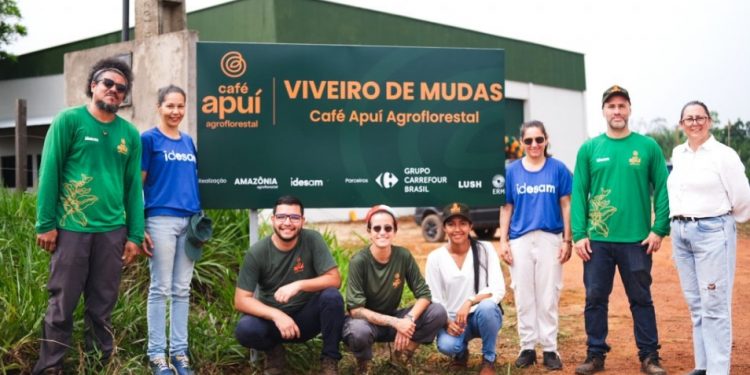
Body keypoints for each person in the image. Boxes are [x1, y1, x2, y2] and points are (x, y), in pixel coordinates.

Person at [33, 57, 144, 374]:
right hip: (71, 229)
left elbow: (133, 188)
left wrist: (135, 235)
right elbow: (50, 173)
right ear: (93, 85)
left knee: (102, 308)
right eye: (108, 83)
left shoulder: (129, 134)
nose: (114, 90)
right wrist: (46, 224)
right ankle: (50, 368)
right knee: (61, 306)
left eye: (121, 88)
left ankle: (97, 366)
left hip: (112, 233)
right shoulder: (69, 121)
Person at [571, 85, 670, 375]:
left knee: (641, 299)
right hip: (598, 240)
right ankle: (595, 354)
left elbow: (663, 188)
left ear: (629, 110)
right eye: (611, 106)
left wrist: (659, 228)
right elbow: (579, 192)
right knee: (595, 298)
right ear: (604, 111)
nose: (617, 111)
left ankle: (650, 356)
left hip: (637, 240)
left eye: (621, 106)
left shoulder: (647, 147)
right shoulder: (590, 148)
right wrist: (579, 234)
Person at [667, 100, 750, 375]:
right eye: (689, 119)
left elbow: (742, 199)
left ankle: (718, 370)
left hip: (712, 232)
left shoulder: (723, 155)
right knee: (696, 304)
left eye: (700, 117)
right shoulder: (678, 153)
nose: (695, 123)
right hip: (681, 233)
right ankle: (702, 366)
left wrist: (721, 222)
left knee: (714, 306)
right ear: (681, 124)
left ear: (709, 121)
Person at [234, 195, 344, 375]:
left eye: (294, 217)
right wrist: (276, 314)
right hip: (272, 323)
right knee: (245, 329)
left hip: (306, 320)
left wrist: (298, 284)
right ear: (272, 220)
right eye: (281, 217)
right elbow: (241, 300)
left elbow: (334, 279)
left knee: (332, 297)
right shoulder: (258, 252)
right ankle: (274, 351)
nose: (287, 223)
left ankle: (329, 361)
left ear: (302, 221)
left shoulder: (312, 240)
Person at [498, 120, 572, 371]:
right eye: (529, 140)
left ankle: (550, 348)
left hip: (550, 237)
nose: (534, 145)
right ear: (522, 143)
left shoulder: (558, 169)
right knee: (523, 294)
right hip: (520, 239)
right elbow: (506, 207)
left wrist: (567, 239)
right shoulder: (512, 171)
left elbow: (566, 205)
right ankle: (527, 347)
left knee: (548, 293)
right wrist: (503, 240)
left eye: (539, 139)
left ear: (546, 139)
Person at [343, 204, 447, 374]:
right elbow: (355, 310)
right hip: (367, 322)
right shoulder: (359, 261)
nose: (382, 232)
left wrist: (408, 319)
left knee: (438, 312)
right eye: (376, 228)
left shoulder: (403, 255)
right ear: (369, 232)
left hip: (394, 316)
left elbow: (424, 295)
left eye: (388, 228)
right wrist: (396, 323)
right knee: (357, 331)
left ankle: (402, 356)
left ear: (394, 232)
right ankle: (363, 364)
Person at [140, 85, 201, 375]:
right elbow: (137, 185)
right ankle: (156, 355)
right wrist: (139, 227)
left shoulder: (188, 142)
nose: (176, 111)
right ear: (159, 107)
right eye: (170, 106)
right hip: (160, 220)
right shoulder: (148, 140)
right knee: (160, 288)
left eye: (180, 106)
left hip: (189, 223)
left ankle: (179, 353)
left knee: (181, 290)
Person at [426, 202, 504, 375]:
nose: (457, 229)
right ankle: (460, 354)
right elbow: (434, 297)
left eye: (462, 223)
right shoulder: (435, 258)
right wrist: (447, 322)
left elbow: (497, 288)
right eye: (451, 224)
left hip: (480, 315)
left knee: (488, 307)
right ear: (444, 227)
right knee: (447, 346)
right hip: (454, 321)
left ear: (470, 226)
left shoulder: (485, 249)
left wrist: (470, 301)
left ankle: (489, 359)